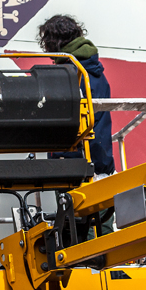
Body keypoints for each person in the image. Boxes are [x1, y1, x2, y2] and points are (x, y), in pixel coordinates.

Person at [38, 15, 115, 237]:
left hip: (72, 164)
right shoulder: (95, 71)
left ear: (54, 43)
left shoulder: (68, 75)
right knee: (102, 229)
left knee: (78, 236)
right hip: (100, 161)